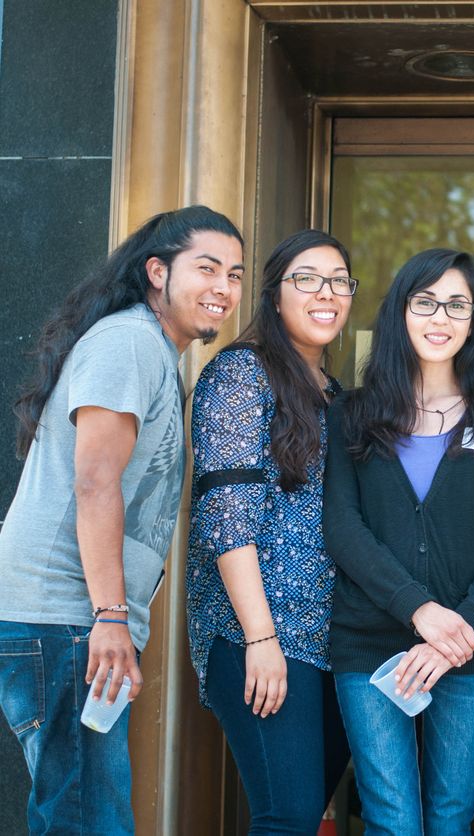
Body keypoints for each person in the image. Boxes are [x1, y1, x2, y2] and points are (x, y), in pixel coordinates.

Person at [0, 205, 244, 835]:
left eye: (236, 274)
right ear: (157, 271)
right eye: (208, 268)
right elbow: (96, 482)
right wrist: (109, 616)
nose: (224, 288)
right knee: (86, 815)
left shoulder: (149, 348)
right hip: (66, 618)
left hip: (75, 620)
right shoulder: (129, 342)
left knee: (85, 808)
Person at [322, 248, 474, 834]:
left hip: (470, 650)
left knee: (451, 817)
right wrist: (421, 612)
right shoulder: (352, 414)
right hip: (369, 646)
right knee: (393, 820)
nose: (441, 317)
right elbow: (344, 529)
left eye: (457, 305)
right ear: (400, 313)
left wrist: (451, 638)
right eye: (425, 302)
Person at [186, 230, 354, 833]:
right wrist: (261, 639)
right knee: (287, 816)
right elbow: (226, 515)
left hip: (331, 638)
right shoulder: (239, 374)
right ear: (274, 294)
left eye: (339, 280)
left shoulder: (335, 395)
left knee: (304, 815)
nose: (326, 293)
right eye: (306, 279)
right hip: (257, 632)